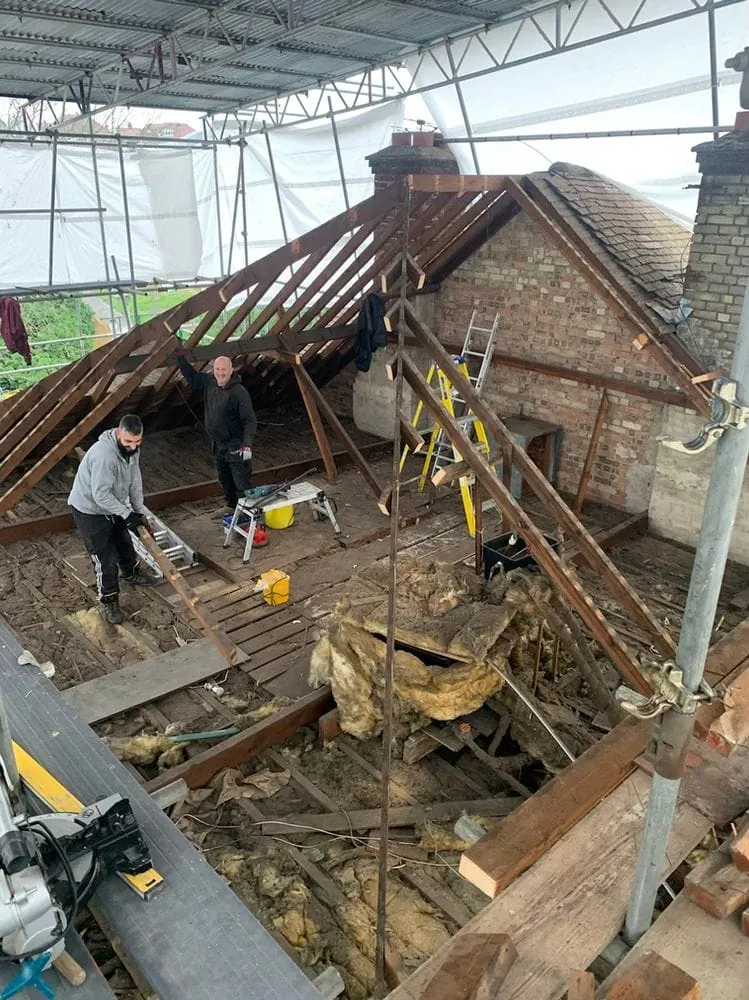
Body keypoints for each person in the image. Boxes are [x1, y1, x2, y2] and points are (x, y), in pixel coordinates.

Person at [174, 340, 267, 546]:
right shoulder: (209, 382)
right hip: (217, 444)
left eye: (223, 369)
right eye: (217, 369)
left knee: (241, 482)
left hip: (236, 444)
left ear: (231, 370)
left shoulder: (239, 392)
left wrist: (247, 444)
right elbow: (191, 377)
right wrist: (180, 357)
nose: (220, 372)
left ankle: (249, 520)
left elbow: (249, 420)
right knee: (223, 477)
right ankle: (230, 506)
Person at [68, 414, 157, 625]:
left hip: (113, 504)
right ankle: (108, 600)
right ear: (119, 433)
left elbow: (135, 481)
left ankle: (131, 572)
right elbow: (100, 495)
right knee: (105, 558)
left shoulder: (133, 451)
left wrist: (139, 512)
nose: (132, 446)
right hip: (89, 510)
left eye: (137, 442)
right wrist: (126, 514)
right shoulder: (104, 456)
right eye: (128, 442)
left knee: (124, 542)